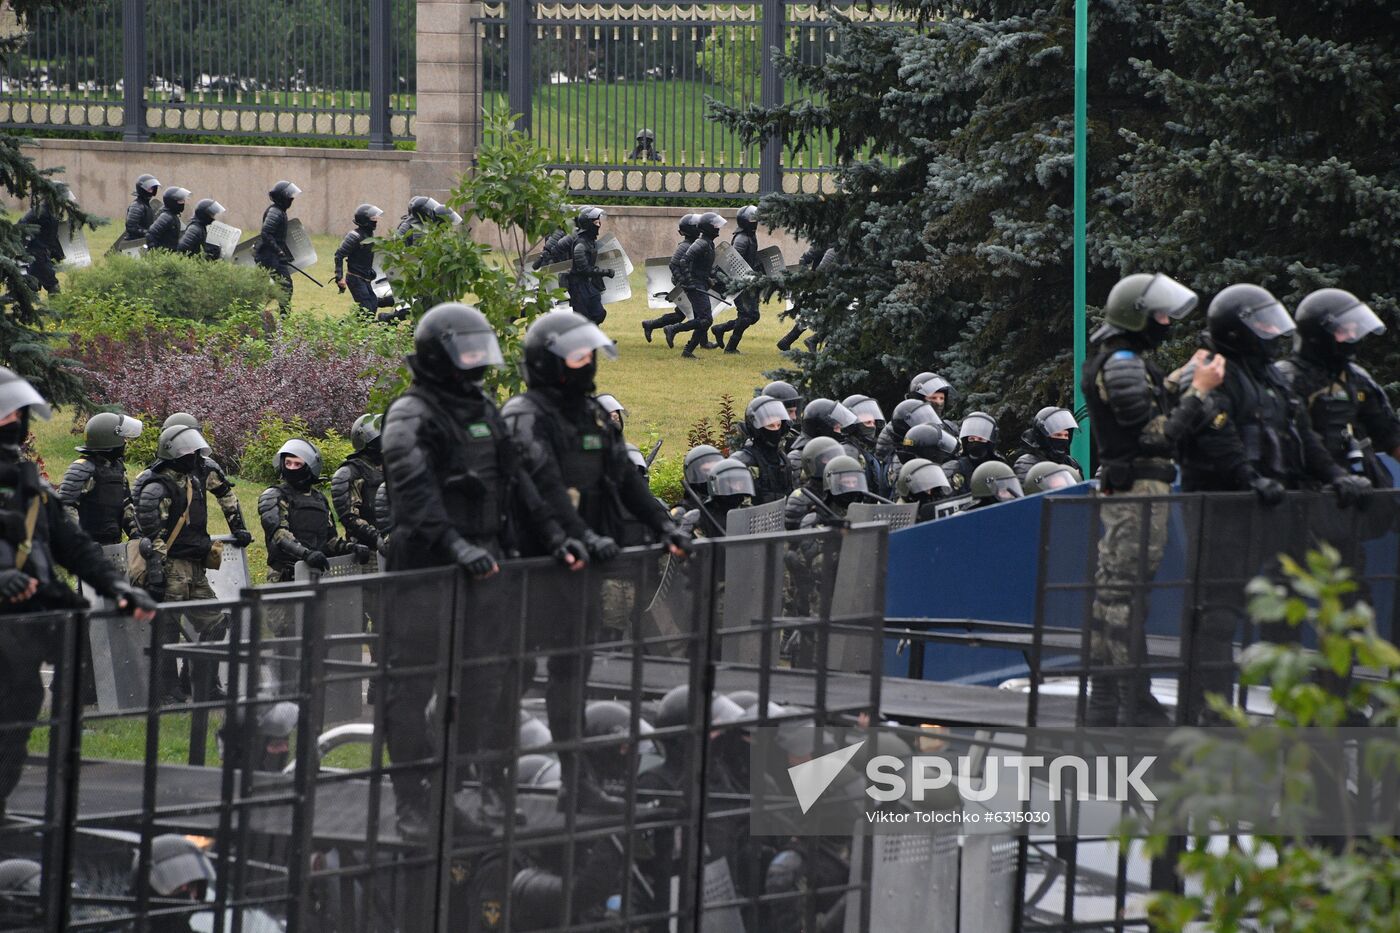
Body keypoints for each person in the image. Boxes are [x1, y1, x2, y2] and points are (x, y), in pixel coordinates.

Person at [381, 302, 587, 840]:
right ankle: (411, 800)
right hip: (427, 567)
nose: (476, 362)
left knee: (489, 683)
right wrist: (452, 543)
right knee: (411, 687)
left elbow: (520, 480)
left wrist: (556, 535)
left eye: (480, 351)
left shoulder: (482, 409)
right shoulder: (410, 414)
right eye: (466, 352)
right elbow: (413, 488)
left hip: (487, 562)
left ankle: (470, 789)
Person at [503, 310, 690, 813]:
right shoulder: (525, 415)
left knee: (570, 677)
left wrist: (663, 524)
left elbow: (625, 479)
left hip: (574, 569)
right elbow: (539, 489)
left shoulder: (588, 414)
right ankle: (481, 783)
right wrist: (578, 534)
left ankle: (574, 782)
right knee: (506, 680)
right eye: (577, 357)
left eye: (589, 356)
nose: (587, 366)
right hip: (523, 567)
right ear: (549, 362)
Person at [1179, 283, 1368, 722]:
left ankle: (1299, 703)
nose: (1270, 332)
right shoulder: (1211, 370)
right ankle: (1211, 711)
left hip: (1272, 506)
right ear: (1238, 329)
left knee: (1284, 605)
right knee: (1216, 614)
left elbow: (1302, 435)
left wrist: (1337, 474)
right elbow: (1215, 436)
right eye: (1261, 323)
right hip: (1222, 508)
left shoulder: (1270, 375)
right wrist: (1250, 478)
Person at [0, 368, 157, 819]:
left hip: (30, 632)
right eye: (4, 413)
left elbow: (74, 547)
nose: (14, 421)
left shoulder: (29, 489)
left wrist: (119, 588)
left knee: (17, 723)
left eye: (18, 414)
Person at [135, 424, 253, 703]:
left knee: (215, 622)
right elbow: (152, 534)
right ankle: (165, 689)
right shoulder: (156, 486)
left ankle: (204, 684)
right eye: (187, 450)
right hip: (172, 566)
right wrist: (157, 570)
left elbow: (225, 496)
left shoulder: (194, 480)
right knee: (167, 628)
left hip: (196, 566)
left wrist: (238, 527)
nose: (194, 455)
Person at [1277, 288, 1400, 485]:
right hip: (1308, 492)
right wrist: (1335, 475)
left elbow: (1390, 434)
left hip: (1361, 486)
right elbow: (1299, 438)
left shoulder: (1356, 376)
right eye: (1344, 331)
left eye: (1355, 330)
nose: (1352, 336)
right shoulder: (1287, 378)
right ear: (1318, 334)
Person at [258, 438, 369, 586]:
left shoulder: (319, 499)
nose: (291, 468)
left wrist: (351, 547)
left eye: (297, 464)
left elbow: (329, 540)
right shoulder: (274, 495)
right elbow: (279, 535)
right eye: (288, 463)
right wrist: (306, 554)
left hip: (318, 574)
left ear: (310, 467)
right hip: (284, 577)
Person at [57, 413, 143, 545]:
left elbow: (126, 505)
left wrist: (137, 536)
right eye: (122, 437)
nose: (125, 442)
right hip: (88, 548)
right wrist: (79, 543)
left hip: (114, 545)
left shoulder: (118, 468)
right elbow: (66, 507)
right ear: (109, 439)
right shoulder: (82, 468)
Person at [667, 212, 727, 358]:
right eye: (715, 225)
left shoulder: (708, 243)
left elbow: (703, 267)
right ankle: (673, 328)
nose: (718, 228)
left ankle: (688, 351)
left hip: (700, 283)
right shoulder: (700, 243)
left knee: (704, 320)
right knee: (705, 319)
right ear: (708, 228)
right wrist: (689, 281)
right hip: (695, 285)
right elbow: (683, 261)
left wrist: (713, 281)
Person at [331, 414, 385, 554]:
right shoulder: (349, 472)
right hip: (367, 550)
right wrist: (378, 538)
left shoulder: (391, 467)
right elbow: (349, 517)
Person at [642, 213, 699, 343]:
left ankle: (650, 324)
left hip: (690, 283)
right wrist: (683, 282)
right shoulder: (685, 246)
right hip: (685, 285)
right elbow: (674, 264)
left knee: (684, 314)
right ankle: (664, 328)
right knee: (696, 314)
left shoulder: (693, 244)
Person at [711, 205, 761, 353]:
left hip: (748, 280)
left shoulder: (750, 236)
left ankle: (720, 329)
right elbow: (732, 263)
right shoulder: (741, 239)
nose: (755, 222)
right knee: (746, 316)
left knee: (753, 316)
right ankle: (731, 348)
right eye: (752, 219)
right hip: (739, 282)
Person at [334, 203, 396, 321]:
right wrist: (339, 277)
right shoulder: (354, 236)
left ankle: (346, 329)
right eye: (373, 219)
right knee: (367, 310)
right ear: (365, 221)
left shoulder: (369, 235)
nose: (376, 222)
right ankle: (345, 330)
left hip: (365, 278)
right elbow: (339, 255)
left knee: (371, 307)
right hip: (355, 278)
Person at [730, 396, 794, 505]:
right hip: (752, 519)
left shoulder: (783, 459)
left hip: (781, 518)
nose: (775, 430)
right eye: (770, 425)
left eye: (778, 425)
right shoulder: (742, 462)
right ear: (757, 429)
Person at [254, 180, 301, 312]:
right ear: (282, 197)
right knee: (282, 287)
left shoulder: (279, 211)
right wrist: (279, 252)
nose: (292, 199)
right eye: (289, 196)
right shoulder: (275, 212)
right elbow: (266, 233)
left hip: (273, 256)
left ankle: (284, 318)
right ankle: (282, 318)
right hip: (269, 257)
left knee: (285, 287)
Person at [681, 456, 756, 538]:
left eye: (740, 483)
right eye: (733, 483)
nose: (738, 488)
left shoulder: (751, 513)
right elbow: (687, 546)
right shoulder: (701, 516)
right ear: (720, 484)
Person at [785, 398, 858, 479]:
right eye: (837, 427)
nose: (840, 432)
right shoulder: (797, 459)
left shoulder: (837, 453)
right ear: (821, 429)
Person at [776, 239, 827, 352]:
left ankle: (787, 341)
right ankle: (809, 342)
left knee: (816, 315)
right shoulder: (825, 241)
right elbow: (804, 259)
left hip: (830, 284)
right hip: (820, 284)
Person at [784, 436, 843, 530]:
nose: (834, 462)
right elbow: (793, 536)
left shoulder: (838, 492)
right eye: (827, 458)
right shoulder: (800, 498)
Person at [567, 207, 614, 325]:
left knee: (599, 313)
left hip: (588, 285)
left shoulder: (590, 241)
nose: (599, 225)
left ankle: (593, 338)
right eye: (596, 223)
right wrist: (605, 272)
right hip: (578, 287)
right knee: (582, 320)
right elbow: (584, 269)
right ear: (588, 225)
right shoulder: (581, 245)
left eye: (599, 222)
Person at [1012, 406, 1083, 482]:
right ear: (1043, 437)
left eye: (1066, 435)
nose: (1063, 439)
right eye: (1058, 435)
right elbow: (1028, 490)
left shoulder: (1071, 463)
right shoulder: (1027, 463)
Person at [946, 411, 1005, 493]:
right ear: (966, 441)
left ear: (989, 442)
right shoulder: (955, 467)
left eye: (980, 439)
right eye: (971, 439)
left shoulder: (998, 465)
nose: (975, 443)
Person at [842, 394, 889, 495]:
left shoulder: (870, 452)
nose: (873, 427)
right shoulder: (848, 453)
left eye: (873, 423)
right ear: (852, 426)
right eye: (868, 423)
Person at [18, 194, 65, 296]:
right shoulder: (40, 211)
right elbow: (22, 225)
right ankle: (58, 310)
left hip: (43, 255)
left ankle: (21, 307)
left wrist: (57, 254)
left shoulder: (52, 214)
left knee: (30, 287)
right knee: (53, 286)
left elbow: (51, 237)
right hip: (38, 255)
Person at [144, 186, 189, 252]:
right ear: (172, 201)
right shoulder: (166, 217)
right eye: (180, 201)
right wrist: (156, 253)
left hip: (169, 255)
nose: (183, 203)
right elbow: (151, 235)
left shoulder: (173, 216)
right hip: (163, 256)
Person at [125, 174, 161, 241]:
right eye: (149, 188)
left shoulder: (146, 205)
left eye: (153, 188)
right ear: (142, 189)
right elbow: (131, 227)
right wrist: (148, 233)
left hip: (144, 240)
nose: (152, 191)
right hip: (134, 244)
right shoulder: (137, 206)